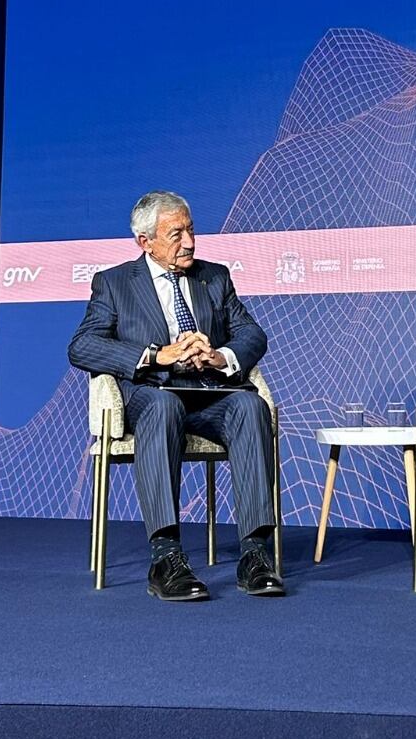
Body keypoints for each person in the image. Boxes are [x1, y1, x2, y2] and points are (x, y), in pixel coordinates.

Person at [68, 191, 283, 601]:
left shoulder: (214, 276)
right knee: (164, 406)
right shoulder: (114, 283)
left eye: (191, 230)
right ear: (144, 242)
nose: (189, 242)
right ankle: (166, 557)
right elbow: (82, 346)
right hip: (150, 394)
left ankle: (255, 554)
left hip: (208, 393)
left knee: (250, 405)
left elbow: (252, 334)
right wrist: (154, 354)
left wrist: (220, 355)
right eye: (176, 234)